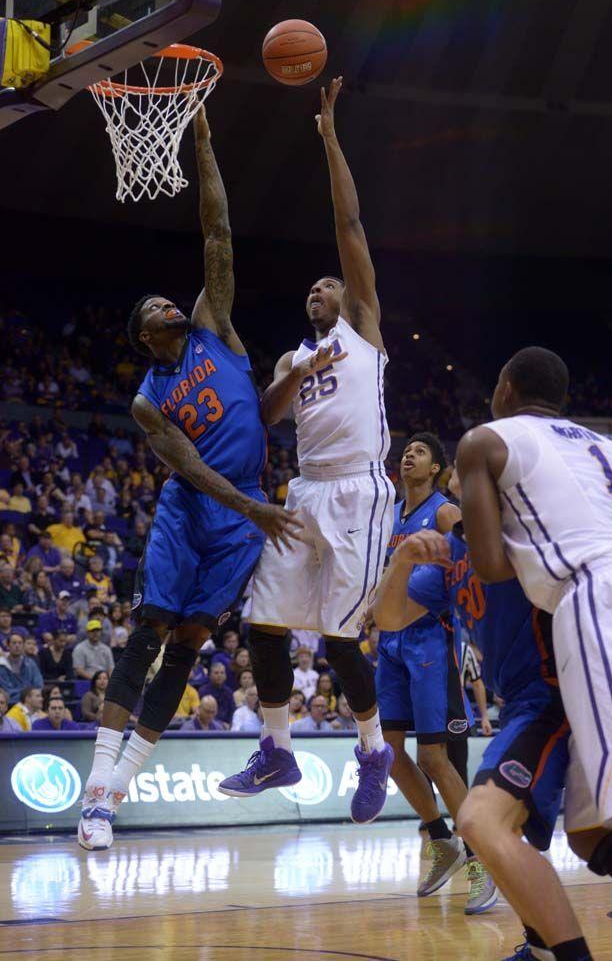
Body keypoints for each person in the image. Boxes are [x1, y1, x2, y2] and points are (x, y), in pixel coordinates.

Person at [78, 106, 301, 852]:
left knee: (193, 643)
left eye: (174, 302)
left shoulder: (216, 326)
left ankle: (119, 793)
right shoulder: (148, 399)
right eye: (158, 310)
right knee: (149, 631)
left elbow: (217, 234)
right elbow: (194, 469)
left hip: (244, 518)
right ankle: (93, 789)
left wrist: (204, 141)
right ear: (148, 334)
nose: (173, 304)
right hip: (199, 507)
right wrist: (253, 506)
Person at [455, 345, 612, 960]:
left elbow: (492, 567)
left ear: (504, 387)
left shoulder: (484, 441)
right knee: (588, 829)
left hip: (593, 599)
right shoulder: (608, 448)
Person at [220, 79, 395, 823]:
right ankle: (279, 748)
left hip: (359, 489)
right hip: (306, 491)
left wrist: (328, 138)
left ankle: (373, 749)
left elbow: (349, 223)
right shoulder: (296, 357)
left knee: (338, 639)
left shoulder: (362, 329)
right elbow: (263, 417)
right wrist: (298, 374)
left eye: (328, 284)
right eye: (314, 289)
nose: (320, 290)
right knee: (260, 620)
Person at [373, 434, 485, 905]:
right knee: (389, 754)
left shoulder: (443, 511)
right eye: (407, 449)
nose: (409, 454)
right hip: (390, 644)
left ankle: (484, 859)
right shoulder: (390, 516)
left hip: (430, 642)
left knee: (436, 758)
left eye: (420, 451)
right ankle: (442, 840)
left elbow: (470, 560)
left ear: (437, 467)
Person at [0, 634, 44, 704]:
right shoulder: (2, 665)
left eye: (20, 643)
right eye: (14, 643)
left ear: (23, 646)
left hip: (31, 702)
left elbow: (39, 685)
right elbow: (7, 691)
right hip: (10, 703)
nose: (17, 646)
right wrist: (27, 696)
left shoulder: (30, 663)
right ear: (8, 646)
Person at [198, 662, 235, 727]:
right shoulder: (203, 691)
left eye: (222, 673)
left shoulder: (229, 692)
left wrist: (230, 724)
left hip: (227, 726)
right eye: (216, 673)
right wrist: (220, 724)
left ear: (225, 676)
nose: (219, 675)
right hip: (208, 725)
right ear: (209, 675)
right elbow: (203, 713)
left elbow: (232, 712)